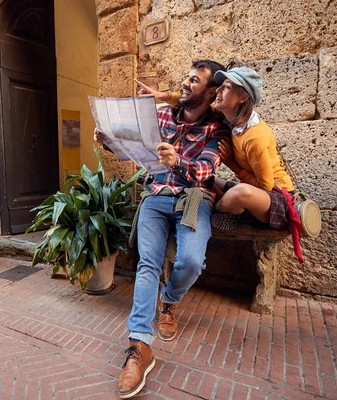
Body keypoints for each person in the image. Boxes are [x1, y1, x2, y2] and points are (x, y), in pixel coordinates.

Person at [96, 60, 231, 398]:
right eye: (186, 77)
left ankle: (168, 300)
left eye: (194, 80)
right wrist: (109, 141)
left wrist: (179, 163)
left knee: (191, 262)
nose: (185, 83)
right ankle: (139, 347)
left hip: (193, 198)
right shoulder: (161, 115)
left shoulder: (217, 128)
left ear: (211, 92)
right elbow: (133, 148)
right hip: (156, 196)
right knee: (147, 265)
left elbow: (205, 170)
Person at [136, 65, 307, 262]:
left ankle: (213, 218)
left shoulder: (254, 136)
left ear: (242, 97)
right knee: (207, 178)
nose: (217, 91)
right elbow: (187, 102)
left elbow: (265, 186)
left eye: (225, 87)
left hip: (275, 196)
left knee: (238, 192)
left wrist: (232, 164)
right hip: (253, 190)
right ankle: (207, 219)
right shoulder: (228, 119)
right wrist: (160, 95)